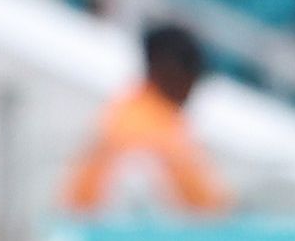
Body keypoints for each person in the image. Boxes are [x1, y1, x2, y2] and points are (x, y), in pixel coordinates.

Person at [62, 23, 230, 215]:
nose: (193, 87)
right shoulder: (141, 127)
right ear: (170, 69)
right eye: (191, 74)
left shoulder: (134, 112)